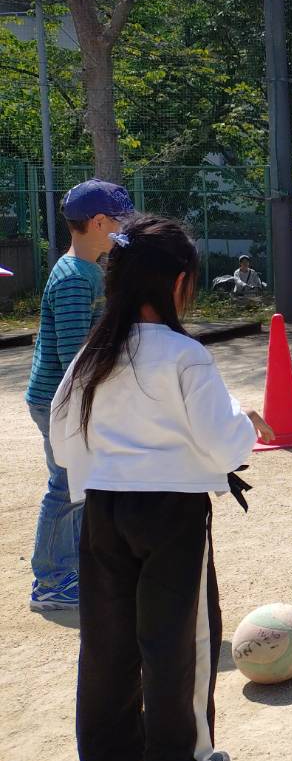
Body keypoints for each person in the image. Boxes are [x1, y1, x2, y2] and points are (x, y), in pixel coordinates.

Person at [50, 214, 275, 761]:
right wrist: (245, 422)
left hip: (103, 508)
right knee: (180, 640)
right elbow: (223, 446)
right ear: (179, 283)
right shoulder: (184, 355)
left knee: (108, 638)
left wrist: (102, 471)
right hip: (171, 513)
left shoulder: (94, 353)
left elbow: (63, 437)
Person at [24, 178, 134, 612]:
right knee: (66, 484)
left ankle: (68, 567)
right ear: (99, 222)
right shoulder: (75, 277)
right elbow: (75, 355)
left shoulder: (87, 270)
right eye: (118, 221)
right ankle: (51, 580)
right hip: (60, 400)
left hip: (68, 398)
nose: (122, 229)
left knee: (79, 483)